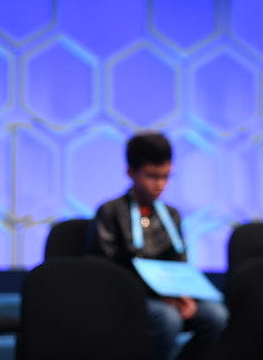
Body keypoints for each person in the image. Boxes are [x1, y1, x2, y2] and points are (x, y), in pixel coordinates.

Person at [88, 131, 228, 360]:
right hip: (131, 295)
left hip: (170, 293)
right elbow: (107, 270)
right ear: (131, 172)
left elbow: (179, 260)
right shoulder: (110, 212)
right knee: (168, 319)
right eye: (152, 176)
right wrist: (160, 296)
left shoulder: (170, 214)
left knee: (217, 316)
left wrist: (183, 295)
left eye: (166, 177)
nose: (160, 185)